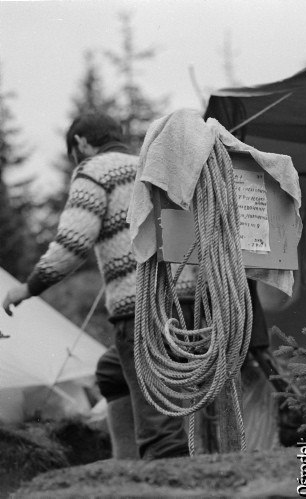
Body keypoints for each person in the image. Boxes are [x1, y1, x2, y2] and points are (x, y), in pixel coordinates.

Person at [2, 111, 189, 460]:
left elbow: (72, 244)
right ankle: (126, 467)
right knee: (110, 371)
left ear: (81, 143)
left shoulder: (94, 171)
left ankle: (167, 478)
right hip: (181, 303)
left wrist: (28, 288)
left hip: (141, 311)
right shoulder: (148, 167)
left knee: (160, 425)